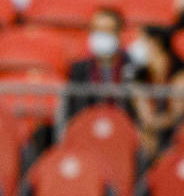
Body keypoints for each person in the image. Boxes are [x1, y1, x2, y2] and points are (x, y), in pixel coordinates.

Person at [65, 8, 132, 119]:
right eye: (96, 30)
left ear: (119, 34)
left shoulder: (131, 66)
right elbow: (73, 108)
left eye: (107, 30)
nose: (101, 35)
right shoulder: (79, 69)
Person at [128, 26, 184, 157]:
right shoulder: (140, 76)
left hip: (176, 132)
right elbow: (145, 115)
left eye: (141, 41)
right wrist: (148, 129)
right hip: (150, 134)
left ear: (156, 43)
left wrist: (154, 124)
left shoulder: (179, 74)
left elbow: (176, 115)